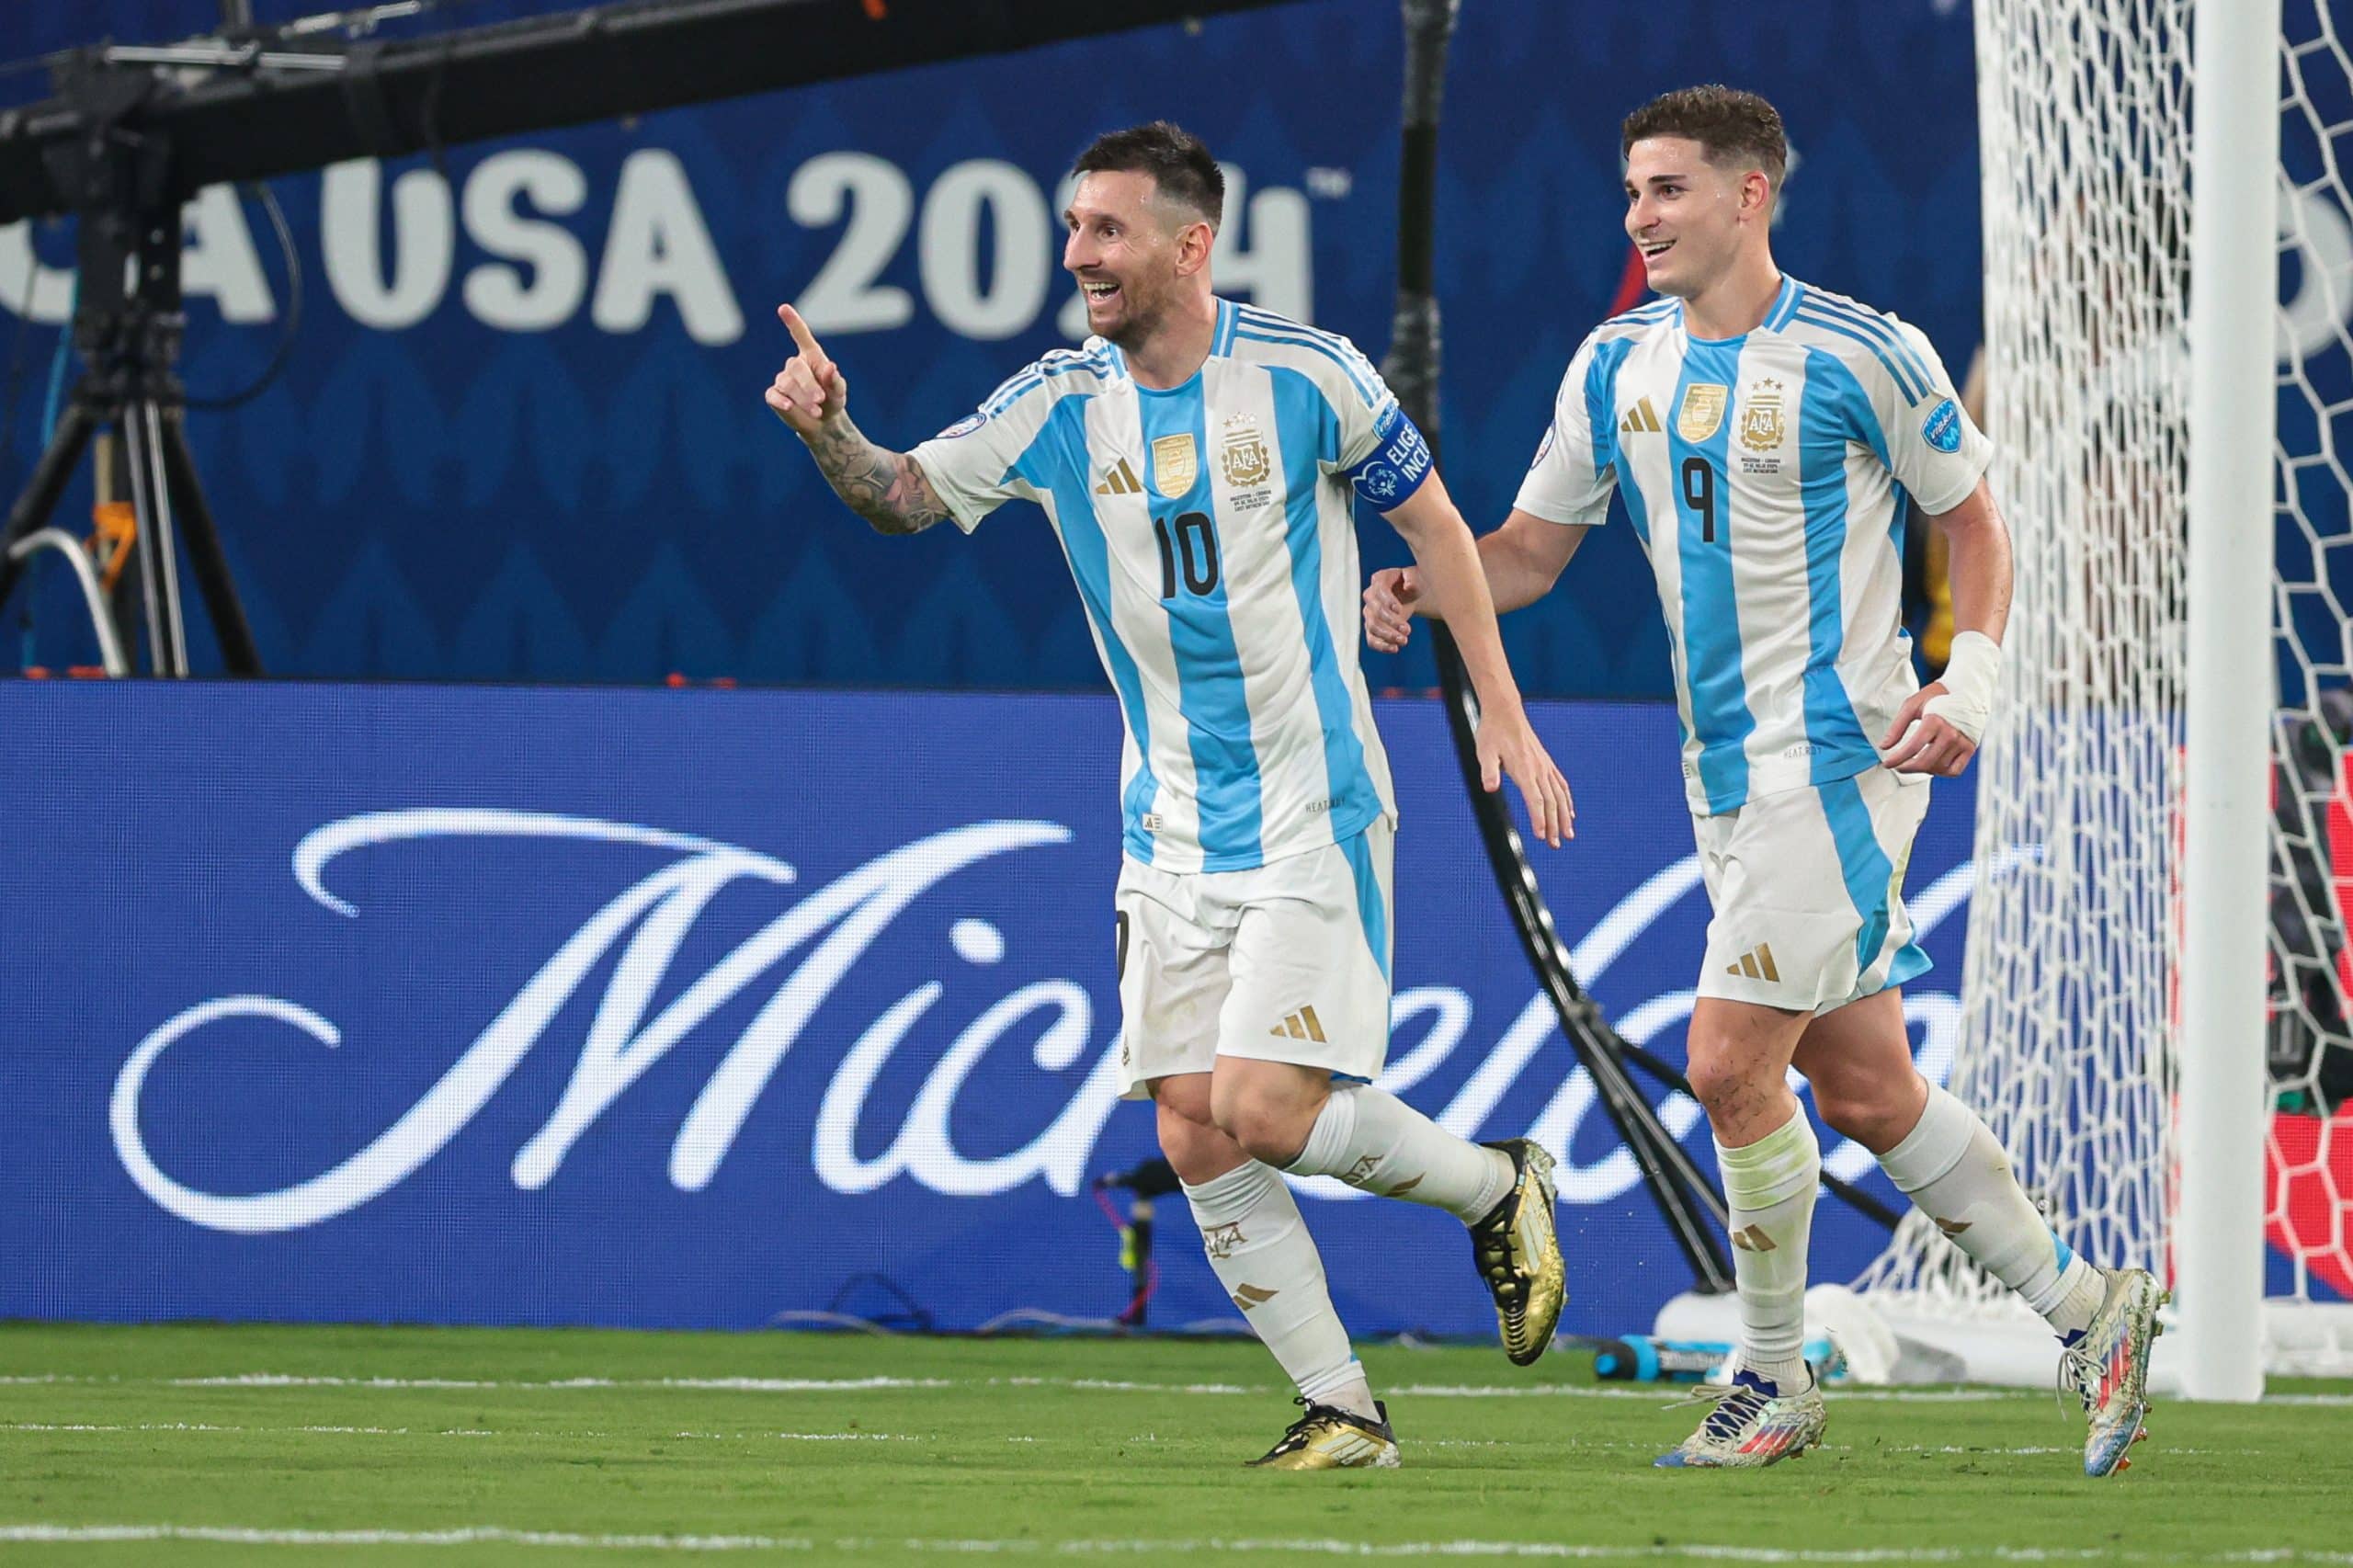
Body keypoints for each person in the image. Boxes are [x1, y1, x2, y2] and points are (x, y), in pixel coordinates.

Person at [1361, 85, 2165, 1477]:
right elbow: (1529, 556)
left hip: (1842, 765)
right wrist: (1423, 585)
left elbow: (1974, 520)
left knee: (1729, 1061)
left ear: (1751, 195)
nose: (1639, 218)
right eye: (1629, 192)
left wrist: (1969, 676)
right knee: (1865, 1093)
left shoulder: (1866, 351)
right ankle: (2092, 1310)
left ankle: (1772, 1375)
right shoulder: (1615, 364)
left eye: (1667, 190)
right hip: (1722, 780)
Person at [766, 121, 1574, 1471]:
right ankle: (1346, 1412)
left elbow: (1433, 521)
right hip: (1168, 830)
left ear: (1190, 245)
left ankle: (1498, 1185)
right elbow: (904, 497)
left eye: (1106, 230)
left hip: (1313, 808)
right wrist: (831, 430)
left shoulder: (1308, 377)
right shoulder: (1059, 404)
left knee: (1261, 1103)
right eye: (1074, 227)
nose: (1078, 253)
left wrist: (1497, 701)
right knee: (1191, 1126)